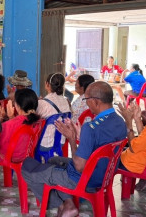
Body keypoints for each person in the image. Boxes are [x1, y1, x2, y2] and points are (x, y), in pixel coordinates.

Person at [21, 81, 127, 216]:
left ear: (95, 101)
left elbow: (79, 166)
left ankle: (61, 204)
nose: (86, 103)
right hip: (104, 176)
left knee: (27, 167)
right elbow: (98, 147)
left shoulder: (91, 127)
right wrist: (82, 137)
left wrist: (72, 139)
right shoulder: (119, 122)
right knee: (53, 160)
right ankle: (69, 202)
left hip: (84, 179)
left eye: (86, 99)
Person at [0, 88, 43, 163]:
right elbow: (18, 126)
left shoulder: (10, 124)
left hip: (12, 157)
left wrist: (1, 118)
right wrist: (9, 118)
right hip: (27, 153)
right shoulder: (39, 121)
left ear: (17, 106)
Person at [117, 102, 146, 191]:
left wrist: (128, 122)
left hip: (139, 165)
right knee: (121, 149)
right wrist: (137, 118)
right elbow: (145, 140)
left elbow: (133, 148)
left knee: (110, 158)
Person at [37, 72, 71, 150]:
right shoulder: (66, 101)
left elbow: (33, 118)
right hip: (61, 143)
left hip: (44, 144)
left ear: (47, 84)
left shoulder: (42, 103)